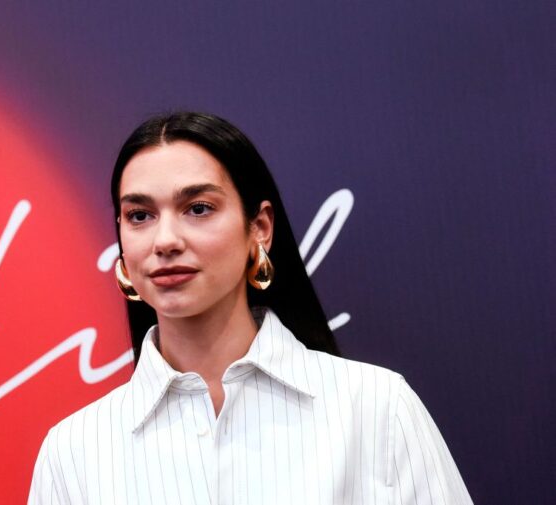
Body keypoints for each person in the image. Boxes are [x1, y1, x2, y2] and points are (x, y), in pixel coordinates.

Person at [28, 111, 473, 504]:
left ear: (259, 227)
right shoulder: (75, 450)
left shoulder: (375, 408)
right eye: (140, 215)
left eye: (198, 208)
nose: (165, 241)